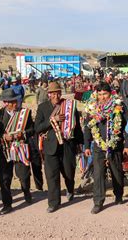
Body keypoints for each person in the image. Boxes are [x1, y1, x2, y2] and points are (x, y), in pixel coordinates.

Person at [35, 82, 83, 213]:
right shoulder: (43, 107)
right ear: (49, 95)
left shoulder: (69, 106)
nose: (56, 95)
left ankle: (70, 188)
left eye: (58, 93)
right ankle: (53, 202)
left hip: (67, 145)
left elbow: (77, 126)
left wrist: (81, 143)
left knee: (69, 172)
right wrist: (52, 120)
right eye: (53, 93)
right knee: (52, 176)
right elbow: (37, 128)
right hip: (50, 146)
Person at [83, 82, 128, 214]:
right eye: (100, 94)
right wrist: (87, 145)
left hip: (116, 144)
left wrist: (127, 145)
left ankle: (119, 196)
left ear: (110, 94)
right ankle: (98, 202)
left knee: (117, 172)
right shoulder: (92, 108)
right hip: (98, 146)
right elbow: (87, 127)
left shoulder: (119, 106)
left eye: (105, 94)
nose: (103, 97)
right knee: (98, 174)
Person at [0, 89, 35, 214]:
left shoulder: (25, 113)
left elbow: (32, 129)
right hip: (4, 149)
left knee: (23, 174)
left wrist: (23, 134)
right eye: (12, 102)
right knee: (5, 177)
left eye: (16, 101)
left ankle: (26, 191)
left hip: (20, 147)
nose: (16, 104)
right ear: (5, 103)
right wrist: (4, 137)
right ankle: (7, 203)